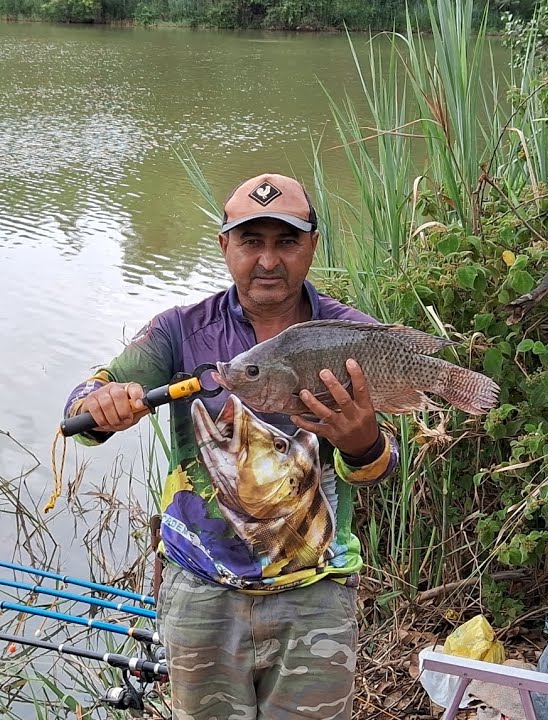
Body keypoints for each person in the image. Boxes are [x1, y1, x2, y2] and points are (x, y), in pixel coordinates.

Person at [61, 173, 399, 719]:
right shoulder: (179, 331)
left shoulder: (352, 336)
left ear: (313, 244)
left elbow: (382, 467)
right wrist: (100, 403)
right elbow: (83, 405)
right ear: (224, 246)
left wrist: (361, 444)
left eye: (286, 242)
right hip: (201, 593)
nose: (268, 260)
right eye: (251, 241)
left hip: (316, 595)